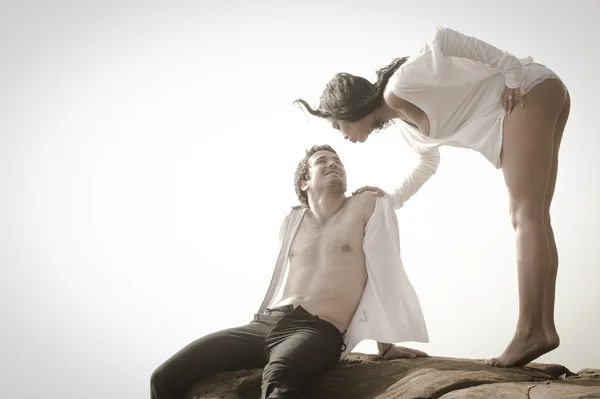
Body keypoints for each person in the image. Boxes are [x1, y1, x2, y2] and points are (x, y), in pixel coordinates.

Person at [295, 26, 571, 368]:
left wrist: (512, 75)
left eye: (338, 126)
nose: (342, 136)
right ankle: (541, 327)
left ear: (347, 108)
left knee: (524, 216)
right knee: (536, 217)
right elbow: (429, 162)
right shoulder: (405, 126)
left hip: (527, 91)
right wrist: (392, 198)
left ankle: (530, 330)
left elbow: (447, 39)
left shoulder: (400, 86)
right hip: (542, 91)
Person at [150, 144, 430, 399]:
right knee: (165, 377)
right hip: (267, 324)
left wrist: (386, 344)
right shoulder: (292, 221)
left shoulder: (367, 205)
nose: (334, 164)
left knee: (278, 380)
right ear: (304, 182)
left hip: (317, 329)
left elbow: (384, 270)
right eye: (323, 161)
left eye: (338, 161)